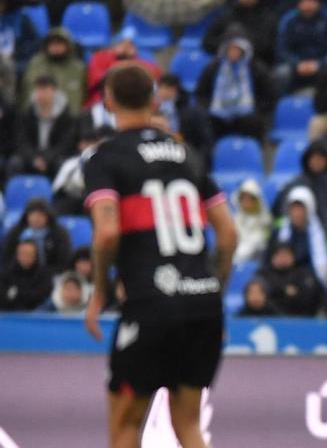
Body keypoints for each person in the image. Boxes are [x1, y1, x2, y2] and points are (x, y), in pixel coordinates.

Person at [82, 64, 237, 448]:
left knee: (125, 427)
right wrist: (214, 289)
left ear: (107, 101)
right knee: (188, 427)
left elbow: (106, 234)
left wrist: (100, 290)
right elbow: (230, 235)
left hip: (151, 304)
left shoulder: (106, 158)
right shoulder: (187, 154)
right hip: (202, 303)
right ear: (154, 101)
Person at [195, 35, 273, 141]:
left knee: (253, 122)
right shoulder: (213, 67)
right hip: (217, 111)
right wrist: (209, 106)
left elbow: (267, 94)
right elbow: (201, 92)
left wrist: (257, 109)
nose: (233, 53)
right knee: (206, 122)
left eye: (237, 50)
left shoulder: (255, 68)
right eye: (231, 49)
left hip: (247, 111)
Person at [274, 142, 327, 234]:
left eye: (320, 158)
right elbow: (280, 210)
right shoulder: (296, 184)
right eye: (313, 158)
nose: (316, 162)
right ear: (307, 160)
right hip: (302, 236)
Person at [6, 75, 78, 178]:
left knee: (62, 165)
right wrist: (34, 158)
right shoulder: (27, 113)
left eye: (45, 90)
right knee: (15, 163)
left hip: (54, 156)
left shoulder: (66, 116)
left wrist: (47, 158)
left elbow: (66, 143)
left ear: (54, 91)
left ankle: (60, 194)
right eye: (38, 90)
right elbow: (22, 140)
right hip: (32, 156)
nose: (41, 94)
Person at [202, 0, 278, 65]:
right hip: (224, 60)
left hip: (254, 64)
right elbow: (207, 42)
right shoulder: (226, 16)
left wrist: (242, 48)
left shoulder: (267, 18)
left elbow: (266, 45)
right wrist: (228, 48)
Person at [268, 186, 327, 287]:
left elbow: (321, 266)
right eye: (294, 209)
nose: (297, 213)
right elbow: (269, 260)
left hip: (310, 282)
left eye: (301, 209)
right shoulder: (278, 232)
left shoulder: (318, 233)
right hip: (282, 279)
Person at [84, 27, 162, 109]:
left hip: (132, 100)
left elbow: (155, 74)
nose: (125, 47)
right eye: (122, 43)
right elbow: (95, 79)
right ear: (115, 44)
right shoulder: (100, 57)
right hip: (101, 99)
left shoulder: (141, 62)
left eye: (130, 44)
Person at [52, 126, 115, 215]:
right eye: (87, 142)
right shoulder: (71, 163)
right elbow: (57, 188)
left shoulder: (109, 162)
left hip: (96, 197)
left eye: (92, 142)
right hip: (73, 198)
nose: (90, 146)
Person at [21, 28, 86, 113]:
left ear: (68, 45)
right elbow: (26, 93)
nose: (55, 46)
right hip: (37, 120)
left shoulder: (79, 69)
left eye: (59, 42)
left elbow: (85, 97)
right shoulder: (36, 64)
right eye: (52, 43)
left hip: (72, 121)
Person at [2, 199, 72, 274]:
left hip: (51, 274)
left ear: (48, 216)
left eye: (40, 215)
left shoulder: (59, 234)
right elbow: (6, 257)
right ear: (26, 216)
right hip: (20, 275)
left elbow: (64, 260)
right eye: (32, 215)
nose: (36, 219)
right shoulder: (16, 233)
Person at [155, 75, 214, 164]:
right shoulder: (153, 113)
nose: (159, 93)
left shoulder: (192, 114)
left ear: (173, 90)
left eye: (163, 88)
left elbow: (205, 141)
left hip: (187, 158)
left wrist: (196, 161)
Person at [257, 243, 324, 316]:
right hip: (269, 318)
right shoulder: (263, 274)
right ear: (272, 257)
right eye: (280, 255)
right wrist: (283, 290)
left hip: (301, 318)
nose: (283, 258)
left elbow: (311, 294)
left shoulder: (303, 274)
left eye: (286, 254)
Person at [0, 239, 53, 311]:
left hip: (36, 315)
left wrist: (16, 293)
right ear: (17, 254)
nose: (25, 257)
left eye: (29, 254)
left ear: (35, 255)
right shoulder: (6, 272)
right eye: (22, 253)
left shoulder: (44, 274)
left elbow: (41, 296)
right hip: (9, 315)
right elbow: (3, 296)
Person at [232, 178, 273, 264]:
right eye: (244, 198)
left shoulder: (265, 220)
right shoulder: (236, 218)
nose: (246, 202)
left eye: (250, 199)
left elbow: (261, 243)